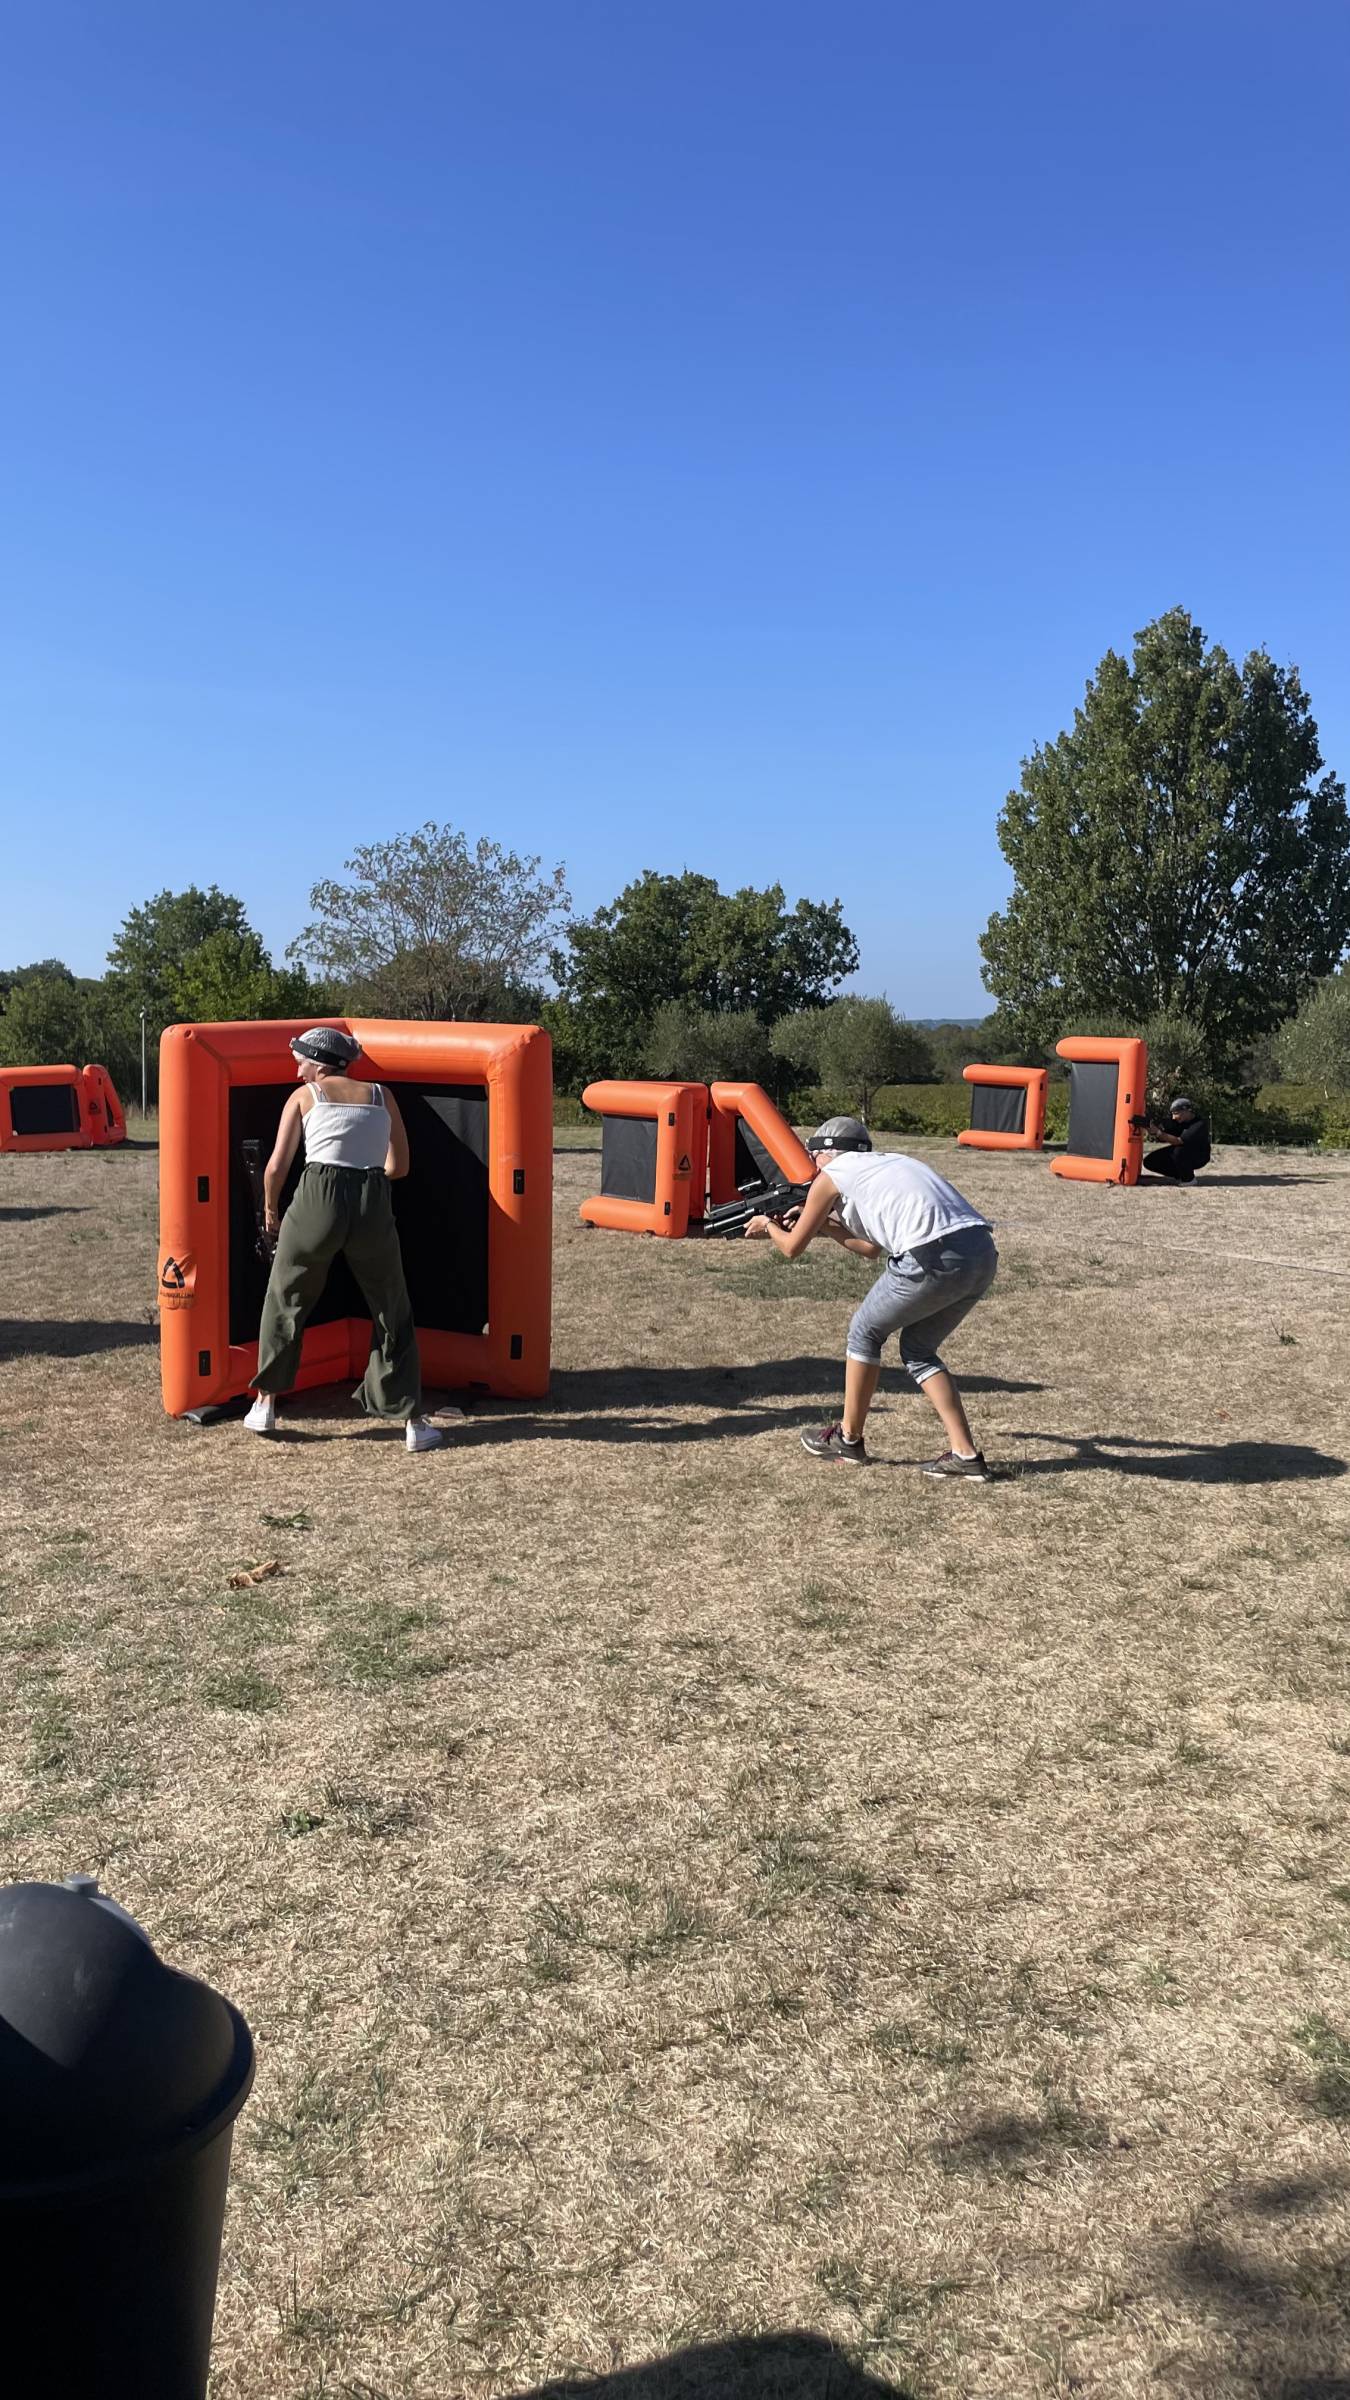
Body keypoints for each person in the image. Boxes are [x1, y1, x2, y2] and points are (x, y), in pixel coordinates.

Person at [744, 1117, 999, 1480]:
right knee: (918, 1350)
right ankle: (965, 1455)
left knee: (863, 1332)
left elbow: (790, 1249)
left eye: (812, 1157)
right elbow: (869, 1248)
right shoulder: (888, 1164)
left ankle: (849, 1439)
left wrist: (766, 1226)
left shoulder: (832, 1175)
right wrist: (826, 1224)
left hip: (931, 1254)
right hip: (981, 1252)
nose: (810, 1166)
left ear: (824, 1154)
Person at [244, 1028, 453, 1451]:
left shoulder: (305, 1097)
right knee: (390, 1306)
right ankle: (412, 1422)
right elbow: (401, 1165)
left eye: (300, 1059)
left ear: (320, 1063)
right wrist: (365, 1177)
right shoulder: (382, 1095)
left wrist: (271, 1214)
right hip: (371, 1198)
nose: (297, 1067)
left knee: (286, 1297)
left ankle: (265, 1404)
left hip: (318, 1195)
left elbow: (273, 1170)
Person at [1142, 1094, 1211, 1182]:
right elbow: (1166, 1135)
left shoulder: (1199, 1125)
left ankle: (1189, 1179)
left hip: (1199, 1156)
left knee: (1178, 1151)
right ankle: (1180, 1175)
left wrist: (1158, 1132)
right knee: (1150, 1161)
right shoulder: (1177, 1122)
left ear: (1186, 1111)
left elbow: (1179, 1141)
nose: (1174, 1117)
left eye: (1176, 1113)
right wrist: (1152, 1129)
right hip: (1184, 1152)